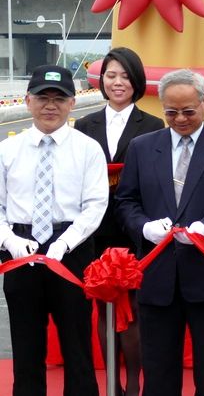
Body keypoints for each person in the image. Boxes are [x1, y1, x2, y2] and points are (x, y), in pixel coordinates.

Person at [115, 68, 204, 396]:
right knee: (159, 373)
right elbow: (126, 201)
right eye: (171, 112)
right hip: (158, 278)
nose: (180, 119)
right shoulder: (142, 147)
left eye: (188, 111)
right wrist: (144, 228)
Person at [0, 65, 106, 396]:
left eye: (59, 98)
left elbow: (95, 205)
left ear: (72, 103)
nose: (50, 105)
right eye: (43, 97)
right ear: (28, 101)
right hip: (21, 251)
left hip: (72, 252)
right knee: (26, 345)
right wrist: (9, 240)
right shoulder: (8, 149)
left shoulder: (88, 148)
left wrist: (66, 243)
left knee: (77, 345)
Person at [74, 48, 164, 396]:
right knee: (102, 307)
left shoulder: (153, 127)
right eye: (111, 75)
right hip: (93, 231)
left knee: (134, 310)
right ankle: (111, 378)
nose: (118, 82)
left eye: (125, 76)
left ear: (137, 82)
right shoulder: (84, 126)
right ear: (101, 81)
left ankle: (132, 382)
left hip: (135, 229)